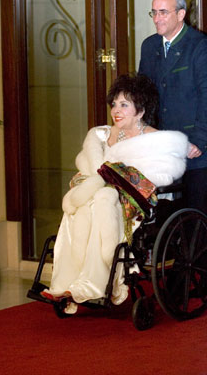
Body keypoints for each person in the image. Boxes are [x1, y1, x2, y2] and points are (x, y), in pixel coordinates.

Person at [41, 74, 189, 313]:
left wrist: (110, 184)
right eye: (114, 104)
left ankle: (94, 283)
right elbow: (90, 168)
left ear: (140, 111)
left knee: (102, 200)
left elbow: (155, 179)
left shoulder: (153, 139)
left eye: (124, 105)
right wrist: (86, 179)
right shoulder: (105, 135)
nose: (116, 111)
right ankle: (70, 283)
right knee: (81, 210)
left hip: (134, 201)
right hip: (102, 194)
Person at [139, 0, 207, 223]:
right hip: (167, 141)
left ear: (181, 15)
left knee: (196, 205)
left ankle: (203, 259)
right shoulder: (150, 46)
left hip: (200, 142)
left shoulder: (200, 45)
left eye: (163, 12)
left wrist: (199, 140)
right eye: (154, 13)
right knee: (173, 206)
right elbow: (144, 93)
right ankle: (182, 256)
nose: (157, 18)